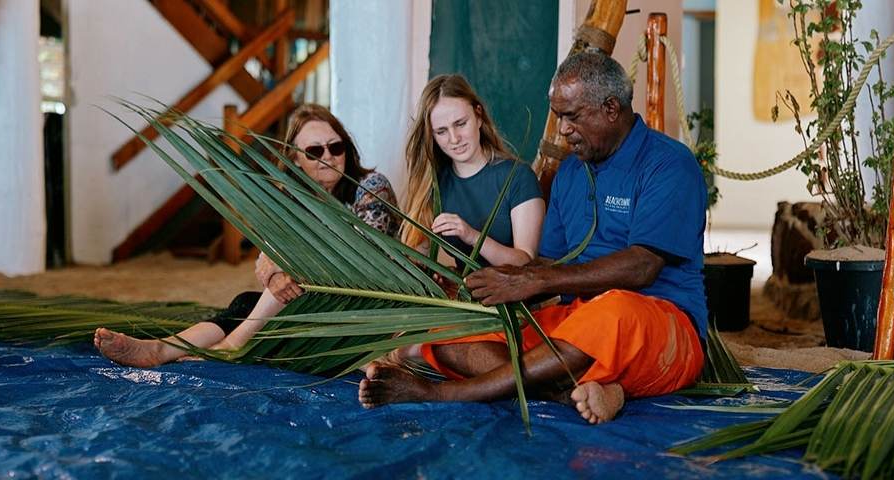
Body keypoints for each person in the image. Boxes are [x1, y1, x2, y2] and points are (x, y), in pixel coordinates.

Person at [358, 52, 708, 425]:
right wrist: (485, 290)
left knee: (613, 313)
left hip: (659, 320)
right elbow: (550, 265)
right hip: (579, 320)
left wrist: (534, 278)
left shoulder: (669, 163)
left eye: (572, 117)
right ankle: (577, 392)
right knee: (452, 335)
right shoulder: (572, 172)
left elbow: (642, 266)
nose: (563, 131)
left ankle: (443, 393)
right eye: (559, 118)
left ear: (610, 108)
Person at [95, 104, 400, 368]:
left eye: (336, 147)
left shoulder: (372, 186)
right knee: (245, 303)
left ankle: (234, 343)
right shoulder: (293, 198)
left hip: (366, 303)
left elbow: (360, 256)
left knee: (286, 281)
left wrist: (283, 268)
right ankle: (163, 349)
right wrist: (273, 274)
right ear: (295, 159)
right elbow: (269, 253)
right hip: (318, 300)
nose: (329, 157)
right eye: (314, 151)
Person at [399, 74, 545, 270]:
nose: (454, 138)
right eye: (441, 131)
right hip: (463, 297)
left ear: (478, 115)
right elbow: (417, 258)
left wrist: (472, 236)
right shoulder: (433, 183)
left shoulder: (519, 177)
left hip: (514, 298)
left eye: (460, 123)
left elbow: (526, 261)